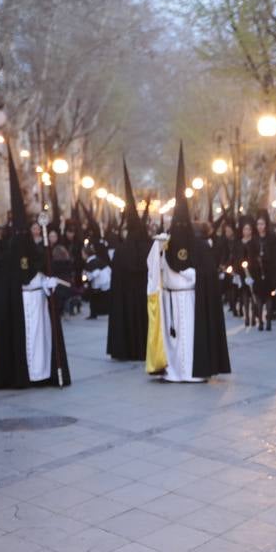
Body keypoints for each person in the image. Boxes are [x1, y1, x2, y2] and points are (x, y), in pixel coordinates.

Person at [0, 152, 71, 390]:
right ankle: (21, 374)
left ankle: (44, 373)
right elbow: (5, 282)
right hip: (19, 305)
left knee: (42, 339)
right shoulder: (7, 256)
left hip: (39, 302)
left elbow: (43, 270)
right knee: (22, 339)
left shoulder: (38, 252)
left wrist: (47, 283)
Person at [152, 145, 231, 383]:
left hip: (192, 299)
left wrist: (192, 275)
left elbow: (207, 274)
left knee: (191, 336)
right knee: (174, 338)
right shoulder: (165, 244)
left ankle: (194, 370)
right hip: (171, 300)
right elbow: (155, 271)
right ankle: (175, 370)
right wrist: (158, 251)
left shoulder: (201, 247)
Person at [107, 161, 150, 362]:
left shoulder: (121, 250)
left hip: (126, 298)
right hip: (143, 295)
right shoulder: (149, 247)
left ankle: (125, 348)